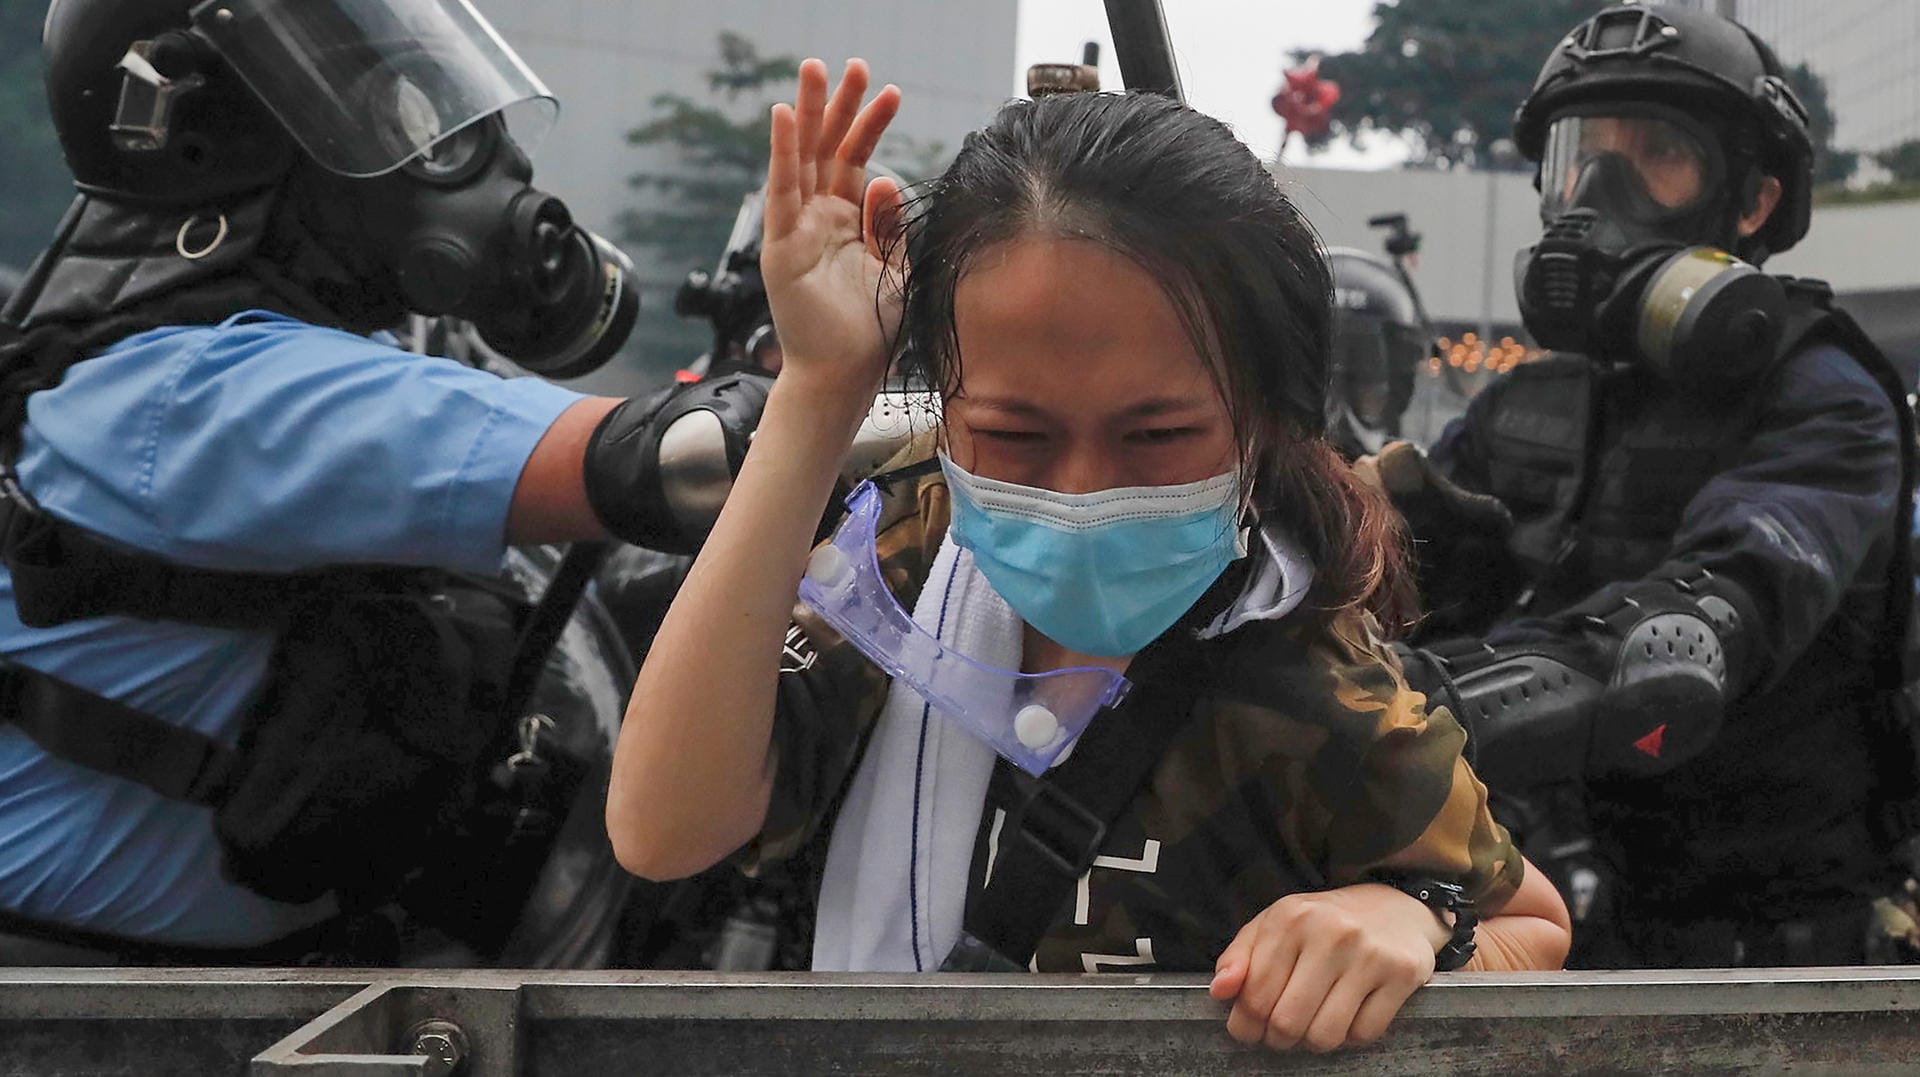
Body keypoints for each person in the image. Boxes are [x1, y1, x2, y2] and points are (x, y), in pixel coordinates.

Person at [607, 59, 1570, 1052]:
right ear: (940, 407)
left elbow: (1528, 926)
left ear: (1267, 423)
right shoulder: (889, 572)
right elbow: (665, 828)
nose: (1081, 496)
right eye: (1014, 438)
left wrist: (1407, 920)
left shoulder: (1326, 690)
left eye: (1157, 439)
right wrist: (820, 386)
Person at [0, 0, 769, 965]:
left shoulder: (223, 355)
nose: (450, 153)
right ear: (217, 142)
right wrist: (851, 380)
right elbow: (663, 460)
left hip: (231, 985)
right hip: (99, 1021)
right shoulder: (211, 393)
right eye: (384, 115)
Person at [1375, 3, 1920, 968]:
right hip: (1537, 929)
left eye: (1655, 155)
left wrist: (1422, 699)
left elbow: (1691, 636)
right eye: (1580, 158)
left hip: (1769, 969)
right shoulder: (1524, 404)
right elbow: (1368, 587)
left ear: (1751, 201)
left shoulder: (1825, 393)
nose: (1597, 195)